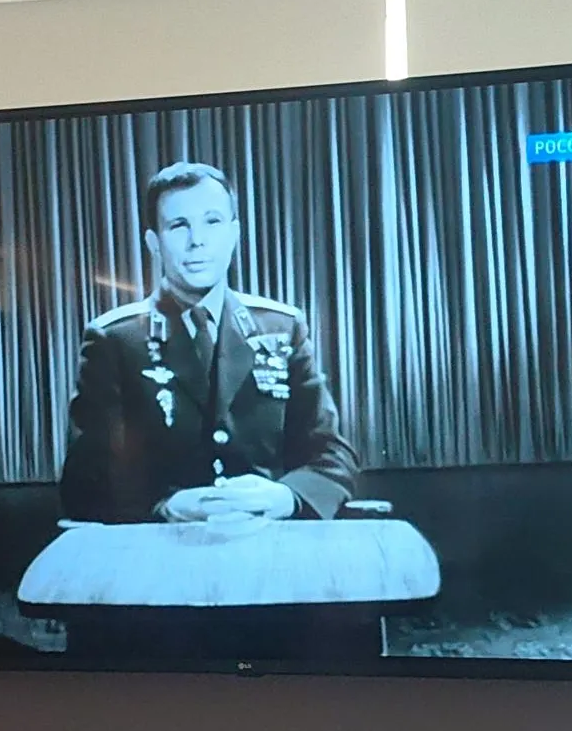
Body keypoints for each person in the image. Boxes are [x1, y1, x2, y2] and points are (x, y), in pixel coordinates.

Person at [59, 161, 358, 524]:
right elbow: (86, 480)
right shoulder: (116, 339)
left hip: (269, 541)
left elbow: (331, 455)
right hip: (161, 546)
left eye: (212, 222)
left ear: (234, 234)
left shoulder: (282, 327)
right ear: (154, 242)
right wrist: (167, 507)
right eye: (178, 225)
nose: (197, 240)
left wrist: (287, 496)